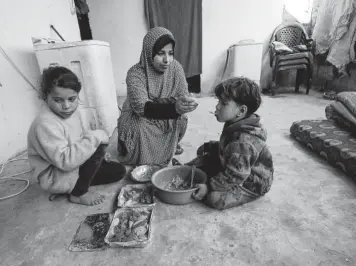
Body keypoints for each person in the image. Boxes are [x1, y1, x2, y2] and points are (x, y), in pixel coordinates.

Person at [27, 66, 126, 206]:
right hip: (55, 174)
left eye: (72, 99)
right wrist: (96, 139)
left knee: (118, 171)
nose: (66, 106)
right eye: (57, 100)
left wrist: (98, 152)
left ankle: (74, 184)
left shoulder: (72, 113)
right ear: (45, 97)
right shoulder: (44, 124)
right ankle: (78, 193)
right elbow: (66, 162)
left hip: (71, 164)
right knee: (96, 140)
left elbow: (79, 139)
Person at [179, 77, 274, 210]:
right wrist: (212, 146)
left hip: (250, 181)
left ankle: (205, 185)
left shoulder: (244, 143)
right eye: (218, 101)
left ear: (241, 111)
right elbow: (229, 146)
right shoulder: (234, 123)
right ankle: (185, 171)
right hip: (236, 164)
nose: (217, 106)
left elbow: (236, 174)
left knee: (215, 199)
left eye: (223, 103)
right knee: (203, 160)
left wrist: (209, 187)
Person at [117, 27, 198, 166]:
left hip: (165, 112)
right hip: (141, 115)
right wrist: (174, 107)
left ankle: (168, 147)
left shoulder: (175, 67)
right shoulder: (135, 73)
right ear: (149, 52)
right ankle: (144, 156)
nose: (167, 60)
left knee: (182, 119)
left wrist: (186, 102)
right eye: (161, 53)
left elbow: (182, 93)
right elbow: (142, 108)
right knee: (139, 126)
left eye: (170, 53)